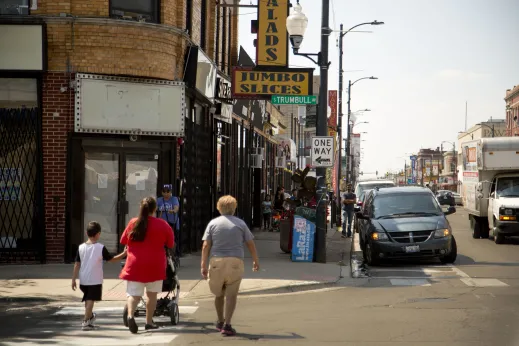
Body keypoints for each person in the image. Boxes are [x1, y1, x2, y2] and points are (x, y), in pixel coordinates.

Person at [201, 195, 260, 336]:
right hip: (235, 261)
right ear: (234, 208)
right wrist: (255, 260)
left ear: (219, 208)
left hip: (217, 261)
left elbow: (205, 245)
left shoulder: (213, 223)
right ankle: (227, 324)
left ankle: (220, 321)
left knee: (219, 294)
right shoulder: (240, 224)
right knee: (231, 295)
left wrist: (203, 264)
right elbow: (250, 243)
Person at [120, 197, 175, 334]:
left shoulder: (133, 223)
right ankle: (149, 322)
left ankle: (130, 315)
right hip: (155, 265)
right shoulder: (162, 224)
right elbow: (170, 244)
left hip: (135, 264)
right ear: (155, 209)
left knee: (134, 294)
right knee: (152, 295)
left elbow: (123, 241)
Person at [72, 221, 127, 330]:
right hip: (95, 279)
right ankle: (85, 321)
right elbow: (112, 259)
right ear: (97, 234)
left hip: (83, 280)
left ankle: (90, 317)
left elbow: (77, 264)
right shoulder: (100, 247)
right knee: (90, 300)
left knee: (88, 300)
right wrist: (125, 253)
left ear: (86, 233)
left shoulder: (81, 247)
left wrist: (73, 279)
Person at [157, 184, 181, 257]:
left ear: (170, 192)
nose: (166, 193)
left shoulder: (174, 199)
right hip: (163, 223)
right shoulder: (159, 200)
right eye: (164, 191)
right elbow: (155, 208)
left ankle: (174, 254)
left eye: (168, 191)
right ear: (162, 192)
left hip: (172, 222)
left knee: (173, 238)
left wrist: (173, 210)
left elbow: (176, 207)